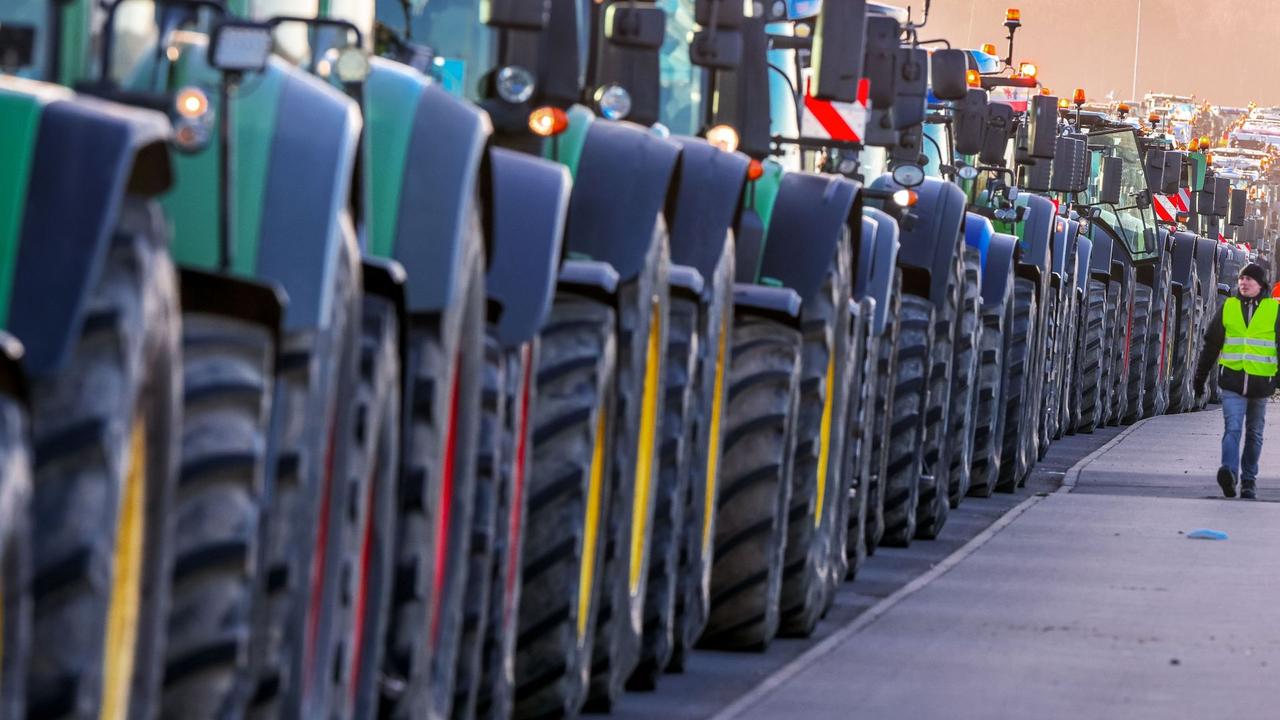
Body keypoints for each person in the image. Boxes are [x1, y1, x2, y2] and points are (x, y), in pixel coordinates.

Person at [1195, 263, 1280, 499]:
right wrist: (1199, 377)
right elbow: (1211, 345)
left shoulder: (1274, 311)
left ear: (1261, 284)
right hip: (1232, 382)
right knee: (1232, 428)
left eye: (1249, 280)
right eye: (1241, 279)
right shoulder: (1228, 307)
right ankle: (1229, 473)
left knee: (1254, 434)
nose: (1243, 283)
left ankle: (1249, 481)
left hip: (1261, 385)